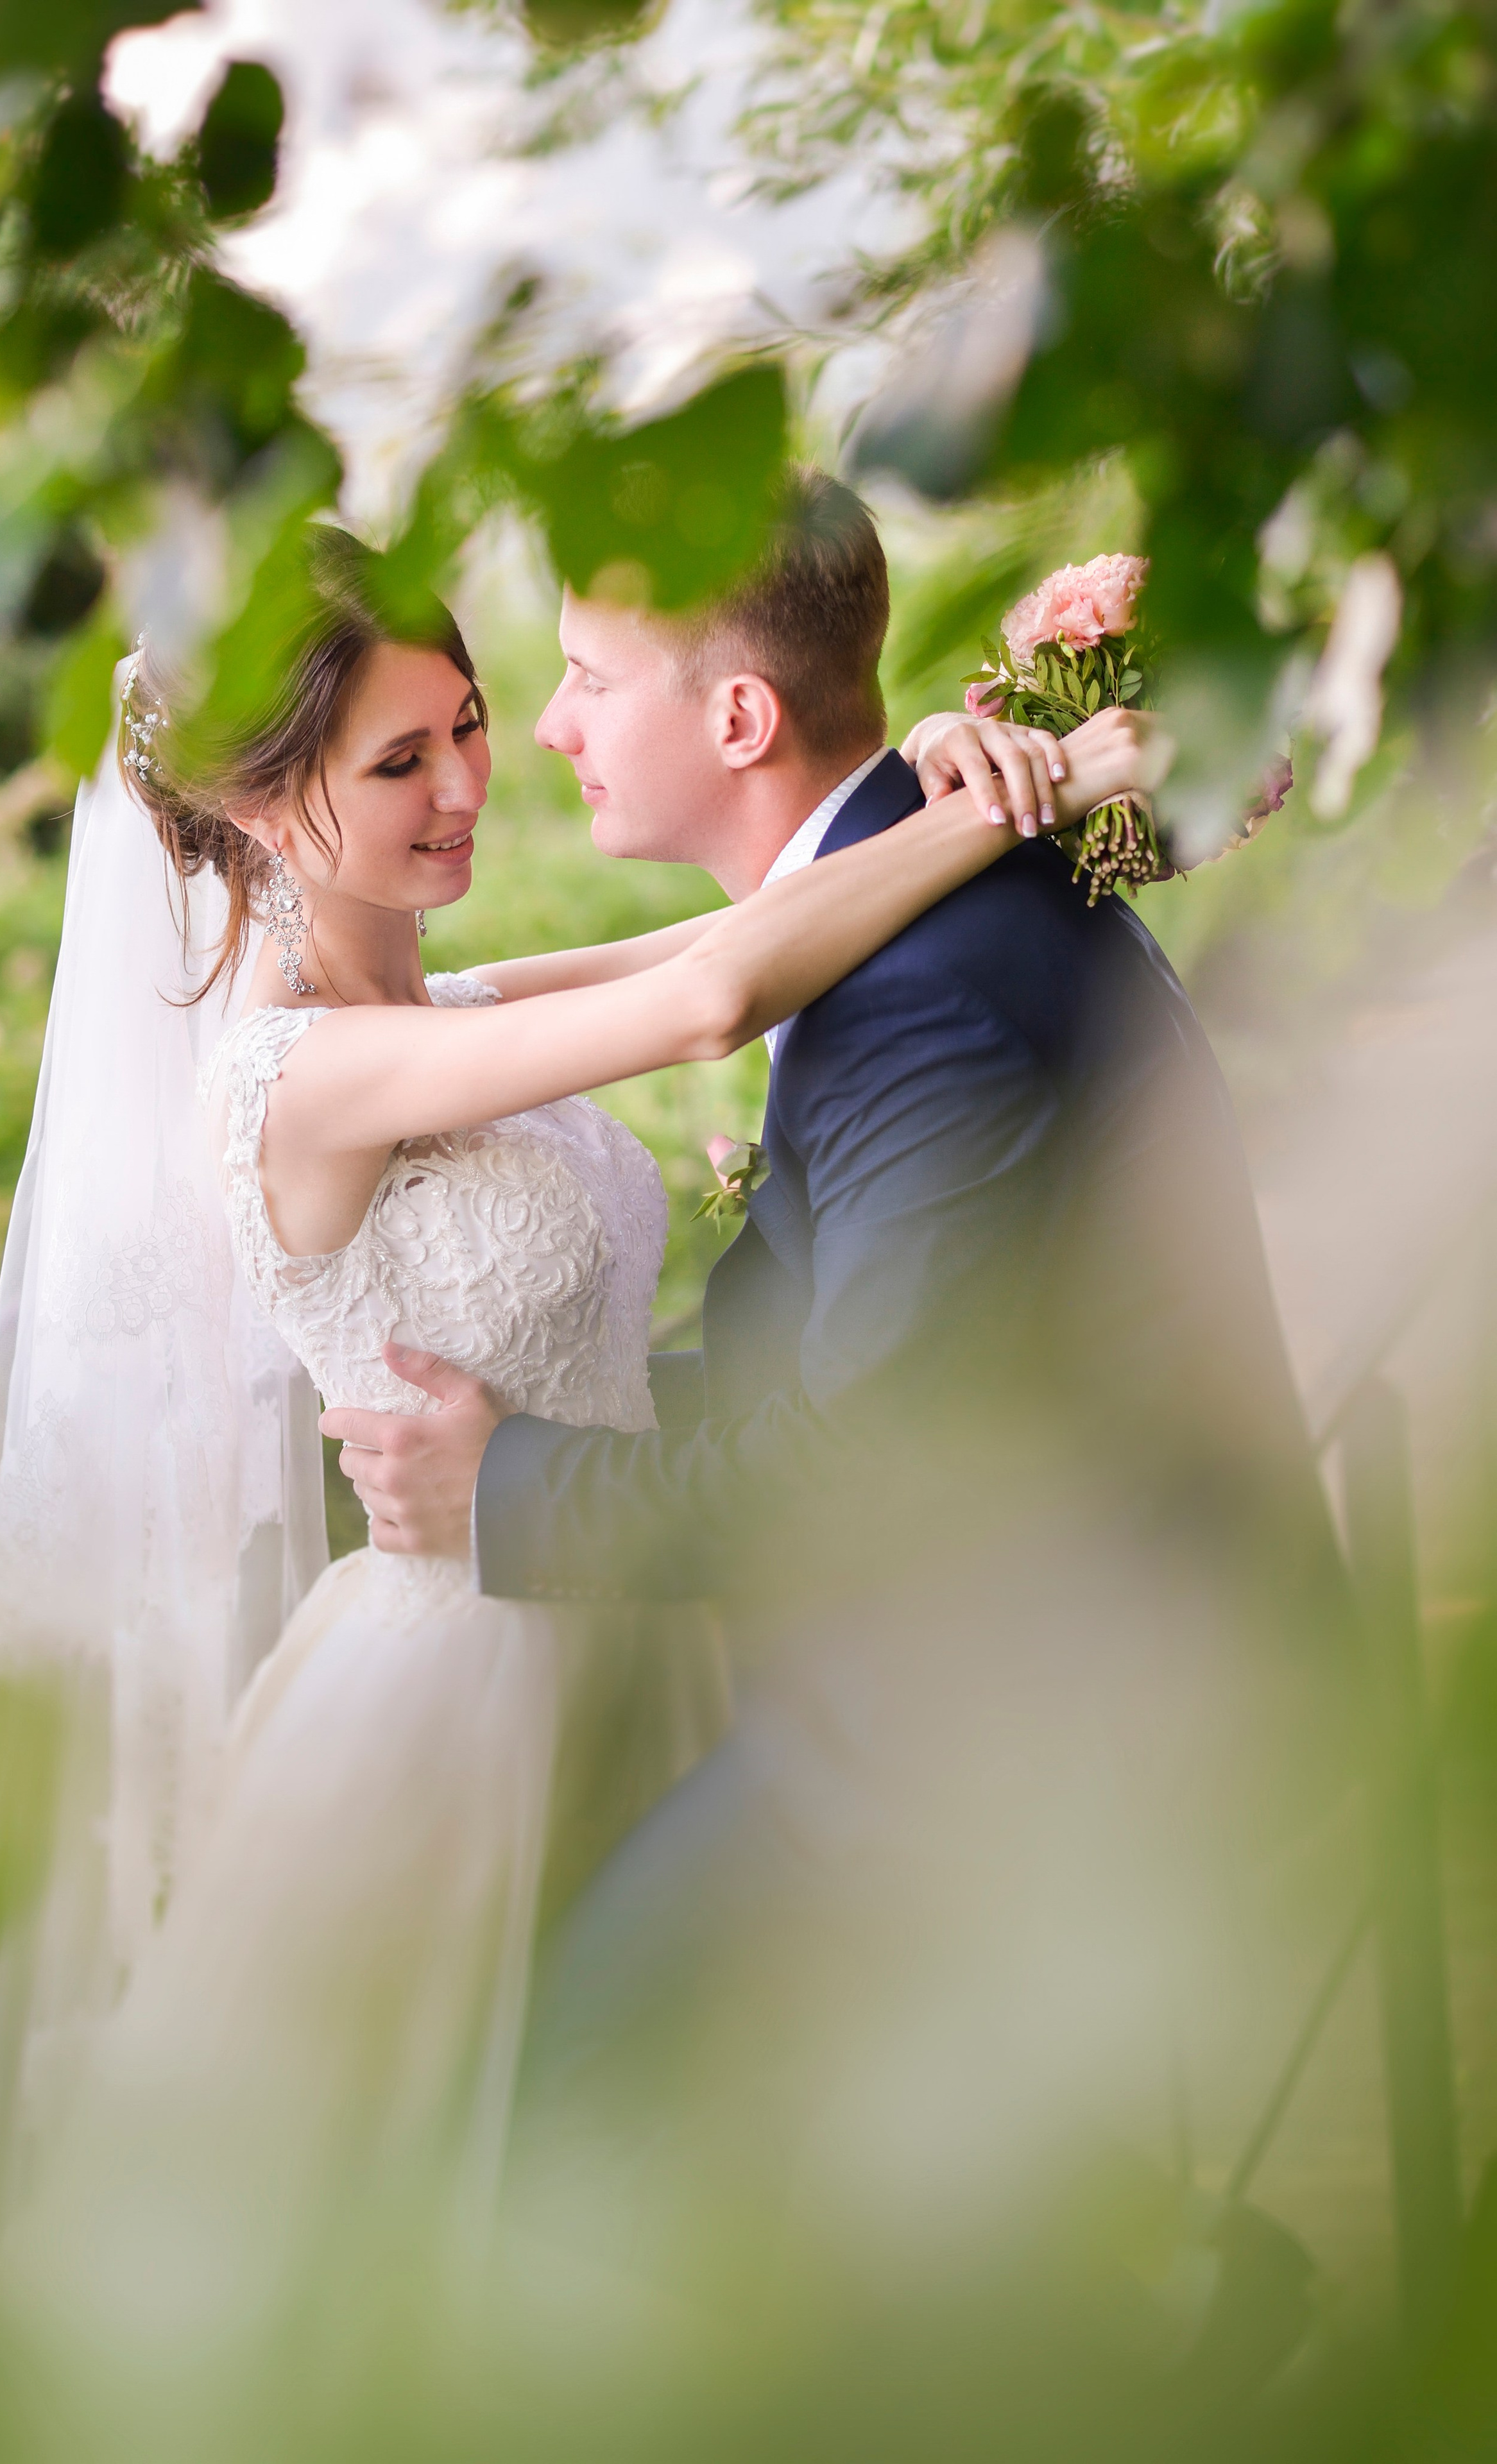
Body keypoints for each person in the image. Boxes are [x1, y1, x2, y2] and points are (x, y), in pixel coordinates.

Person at [0, 502, 1154, 2390]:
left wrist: (951, 762)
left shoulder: (452, 1006)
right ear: (264, 811)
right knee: (433, 2192)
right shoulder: (292, 1080)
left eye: (478, 718)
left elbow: (756, 924)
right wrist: (1055, 776)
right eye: (398, 759)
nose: (469, 784)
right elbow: (712, 997)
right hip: (456, 1682)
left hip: (630, 1606)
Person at [325, 473, 1355, 2305]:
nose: (543, 732)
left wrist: (503, 1488)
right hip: (1046, 1624)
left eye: (574, 678)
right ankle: (1128, 2272)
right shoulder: (928, 879)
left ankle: (1158, 2309)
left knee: (571, 2095)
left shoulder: (916, 994)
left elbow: (854, 1457)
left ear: (735, 718)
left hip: (1036, 1717)